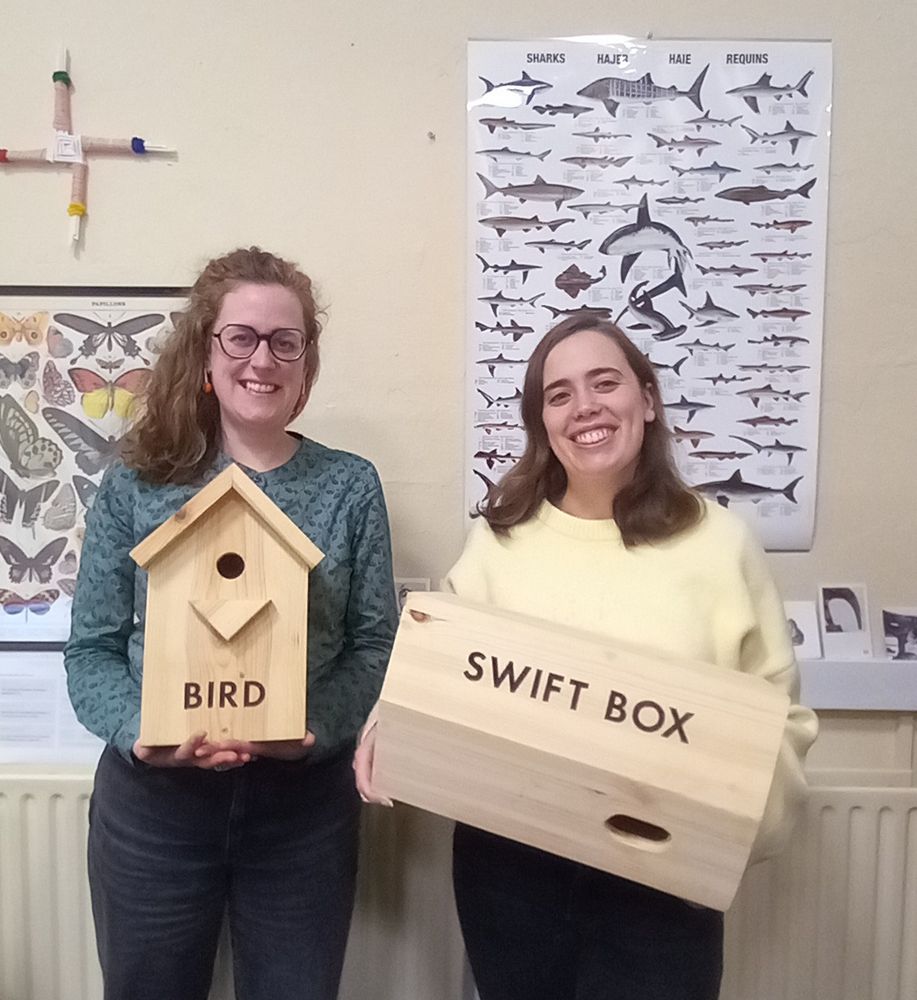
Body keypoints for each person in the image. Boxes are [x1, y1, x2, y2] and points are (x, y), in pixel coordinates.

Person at [356, 316, 817, 1000]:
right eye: (559, 393)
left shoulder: (721, 545)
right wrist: (385, 729)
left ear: (648, 399)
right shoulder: (497, 543)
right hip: (512, 875)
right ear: (541, 421)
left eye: (605, 383)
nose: (585, 408)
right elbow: (435, 679)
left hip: (661, 883)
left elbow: (779, 720)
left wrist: (730, 834)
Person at [65, 247, 398, 1000]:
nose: (262, 360)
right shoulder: (138, 483)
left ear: (305, 364)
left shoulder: (348, 487)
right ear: (205, 355)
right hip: (154, 813)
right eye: (240, 337)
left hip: (301, 816)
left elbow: (375, 641)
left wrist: (316, 727)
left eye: (286, 341)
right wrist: (140, 731)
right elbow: (90, 649)